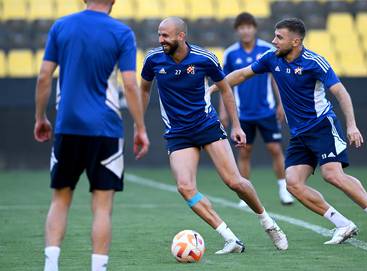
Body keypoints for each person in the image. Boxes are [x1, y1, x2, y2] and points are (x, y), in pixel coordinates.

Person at [208, 18, 367, 245]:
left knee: (332, 174)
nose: (274, 41)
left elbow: (341, 93)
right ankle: (343, 224)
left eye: (279, 37)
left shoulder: (315, 62)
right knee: (293, 183)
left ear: (296, 41)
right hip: (299, 134)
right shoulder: (271, 58)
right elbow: (242, 74)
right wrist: (213, 88)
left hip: (322, 126)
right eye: (274, 36)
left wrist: (352, 125)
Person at [140, 17, 288, 254]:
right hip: (178, 132)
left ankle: (268, 222)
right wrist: (139, 125)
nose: (161, 40)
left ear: (181, 36)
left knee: (234, 182)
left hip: (206, 125)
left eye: (165, 36)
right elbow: (144, 89)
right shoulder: (153, 59)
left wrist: (237, 126)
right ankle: (230, 238)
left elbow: (226, 89)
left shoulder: (204, 58)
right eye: (159, 35)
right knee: (185, 187)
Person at [34, 1, 149, 270]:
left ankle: (51, 266)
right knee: (101, 205)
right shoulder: (121, 33)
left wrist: (40, 118)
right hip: (105, 129)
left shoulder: (61, 26)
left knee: (60, 199)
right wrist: (140, 127)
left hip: (67, 126)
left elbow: (43, 76)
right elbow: (130, 84)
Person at [221, 12, 294, 207]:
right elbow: (224, 84)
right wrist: (223, 111)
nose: (246, 30)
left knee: (275, 149)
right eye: (242, 27)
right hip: (242, 113)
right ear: (237, 30)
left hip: (267, 111)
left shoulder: (268, 49)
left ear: (254, 28)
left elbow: (276, 78)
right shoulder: (230, 54)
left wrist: (281, 104)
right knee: (244, 152)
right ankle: (246, 194)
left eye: (249, 26)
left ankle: (284, 188)